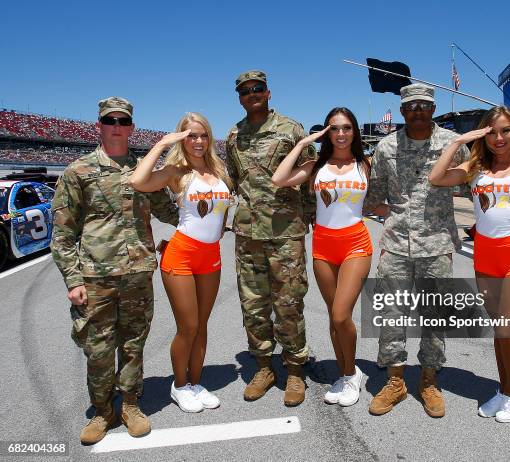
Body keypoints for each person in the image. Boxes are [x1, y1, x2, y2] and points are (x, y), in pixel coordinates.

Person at [51, 97, 179, 444]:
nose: (117, 126)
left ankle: (132, 405)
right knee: (99, 348)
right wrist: (73, 279)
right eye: (111, 121)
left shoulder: (144, 170)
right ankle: (103, 410)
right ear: (99, 126)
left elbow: (170, 213)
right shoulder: (78, 172)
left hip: (138, 274)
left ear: (132, 127)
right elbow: (63, 234)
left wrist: (199, 190)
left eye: (123, 121)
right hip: (96, 276)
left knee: (134, 345)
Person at [429, 105, 510, 423]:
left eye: (505, 130)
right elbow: (436, 177)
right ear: (484, 134)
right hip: (486, 255)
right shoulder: (474, 168)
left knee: (507, 331)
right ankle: (504, 389)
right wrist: (458, 142)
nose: (498, 138)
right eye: (492, 131)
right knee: (499, 330)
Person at [364, 84, 470, 418]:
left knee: (434, 315)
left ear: (434, 108)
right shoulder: (386, 146)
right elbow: (375, 194)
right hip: (396, 246)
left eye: (424, 105)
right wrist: (395, 219)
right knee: (391, 314)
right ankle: (395, 380)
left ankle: (429, 379)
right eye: (411, 106)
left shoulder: (452, 144)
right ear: (402, 110)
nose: (418, 111)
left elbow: (473, 183)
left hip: (436, 246)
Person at [272, 107, 379, 406]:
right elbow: (280, 179)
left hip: (355, 244)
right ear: (326, 133)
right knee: (334, 318)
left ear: (355, 131)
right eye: (334, 128)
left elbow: (382, 197)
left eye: (346, 128)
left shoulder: (366, 164)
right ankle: (347, 373)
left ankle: (349, 374)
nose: (341, 134)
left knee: (340, 314)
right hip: (322, 246)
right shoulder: (316, 165)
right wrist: (304, 143)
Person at [225, 70, 316, 406]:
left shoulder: (291, 129)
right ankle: (264, 366)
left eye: (257, 88)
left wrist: (310, 217)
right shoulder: (235, 135)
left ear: (268, 92)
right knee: (253, 305)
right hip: (248, 233)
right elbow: (234, 181)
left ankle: (294, 369)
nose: (252, 94)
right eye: (245, 91)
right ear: (239, 97)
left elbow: (308, 177)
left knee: (289, 303)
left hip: (285, 232)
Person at [130, 112, 231, 413]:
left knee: (201, 326)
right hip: (182, 254)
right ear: (181, 138)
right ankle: (180, 385)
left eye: (202, 135)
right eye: (190, 136)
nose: (198, 141)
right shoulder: (176, 170)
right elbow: (138, 181)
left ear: (209, 137)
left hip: (210, 255)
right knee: (187, 326)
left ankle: (196, 382)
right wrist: (162, 144)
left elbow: (222, 213)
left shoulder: (220, 169)